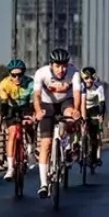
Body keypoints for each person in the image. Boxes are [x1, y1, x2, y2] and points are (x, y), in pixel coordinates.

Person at [32, 48, 82, 198]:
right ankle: (43, 184)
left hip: (65, 102)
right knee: (46, 143)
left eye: (64, 65)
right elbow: (37, 96)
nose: (62, 69)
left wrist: (76, 111)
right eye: (58, 66)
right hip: (47, 104)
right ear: (51, 65)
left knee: (69, 114)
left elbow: (77, 94)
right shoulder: (41, 73)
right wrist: (39, 110)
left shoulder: (74, 72)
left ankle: (65, 144)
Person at [0, 59, 35, 181]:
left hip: (26, 106)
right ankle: (10, 168)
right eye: (14, 75)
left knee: (28, 124)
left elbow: (33, 103)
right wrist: (2, 116)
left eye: (20, 74)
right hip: (11, 107)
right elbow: (3, 104)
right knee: (12, 133)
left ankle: (31, 150)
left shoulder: (31, 83)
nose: (17, 78)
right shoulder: (4, 84)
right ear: (10, 75)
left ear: (24, 73)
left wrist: (32, 116)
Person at [79, 66, 105, 166]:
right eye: (86, 78)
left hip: (94, 108)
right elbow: (78, 101)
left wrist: (101, 115)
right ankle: (78, 146)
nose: (89, 80)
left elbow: (102, 102)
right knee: (79, 126)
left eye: (92, 78)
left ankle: (93, 156)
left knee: (93, 134)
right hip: (82, 106)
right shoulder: (80, 86)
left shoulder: (99, 87)